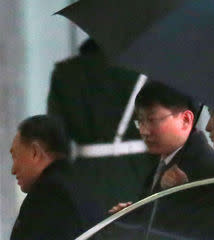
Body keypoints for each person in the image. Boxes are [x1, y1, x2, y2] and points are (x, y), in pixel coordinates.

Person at [47, 38, 156, 221]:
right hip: (141, 172)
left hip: (84, 177)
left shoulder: (65, 73)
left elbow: (56, 137)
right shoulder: (146, 71)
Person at [1, 115, 84, 240]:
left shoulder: (49, 195)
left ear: (36, 152)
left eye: (15, 156)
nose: (13, 169)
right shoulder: (79, 185)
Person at [109, 81, 214, 213]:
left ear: (186, 120)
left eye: (152, 120)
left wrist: (183, 193)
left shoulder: (210, 171)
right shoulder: (163, 160)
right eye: (140, 121)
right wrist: (133, 214)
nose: (144, 131)